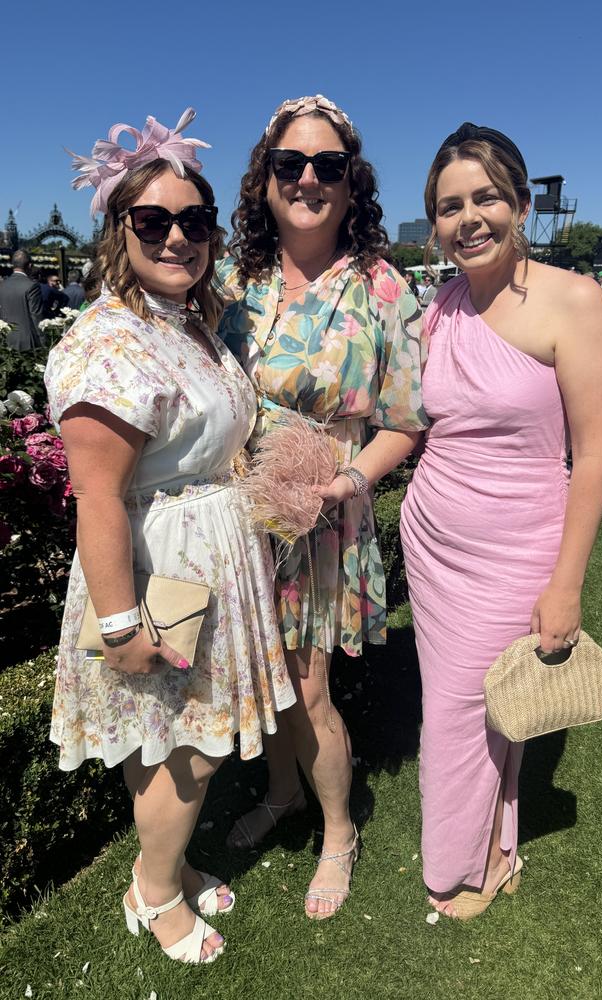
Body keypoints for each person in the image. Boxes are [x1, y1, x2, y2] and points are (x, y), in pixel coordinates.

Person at [45, 108, 296, 964]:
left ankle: (168, 866)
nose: (178, 237)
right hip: (162, 571)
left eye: (196, 220)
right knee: (188, 750)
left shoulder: (185, 320)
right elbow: (97, 495)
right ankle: (154, 895)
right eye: (153, 220)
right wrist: (120, 624)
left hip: (207, 559)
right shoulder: (109, 338)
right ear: (120, 228)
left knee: (171, 745)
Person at [400, 122, 602, 920]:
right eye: (449, 205)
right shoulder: (440, 309)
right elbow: (417, 423)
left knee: (466, 709)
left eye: (485, 197)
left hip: (518, 543)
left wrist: (567, 586)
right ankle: (493, 842)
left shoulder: (576, 300)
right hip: (432, 540)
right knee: (481, 704)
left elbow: (594, 458)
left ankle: (457, 868)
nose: (469, 218)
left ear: (521, 203)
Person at [217, 94, 428, 919]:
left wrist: (347, 481)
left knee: (308, 689)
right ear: (264, 179)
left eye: (327, 165)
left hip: (324, 514)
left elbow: (406, 419)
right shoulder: (235, 279)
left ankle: (338, 828)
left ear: (352, 181)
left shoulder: (382, 286)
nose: (308, 179)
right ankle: (282, 792)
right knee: (261, 679)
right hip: (242, 511)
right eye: (289, 164)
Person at [0, 250, 45, 349]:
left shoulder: (2, 286)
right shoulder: (32, 286)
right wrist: (43, 340)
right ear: (29, 266)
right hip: (27, 340)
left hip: (5, 339)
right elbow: (36, 315)